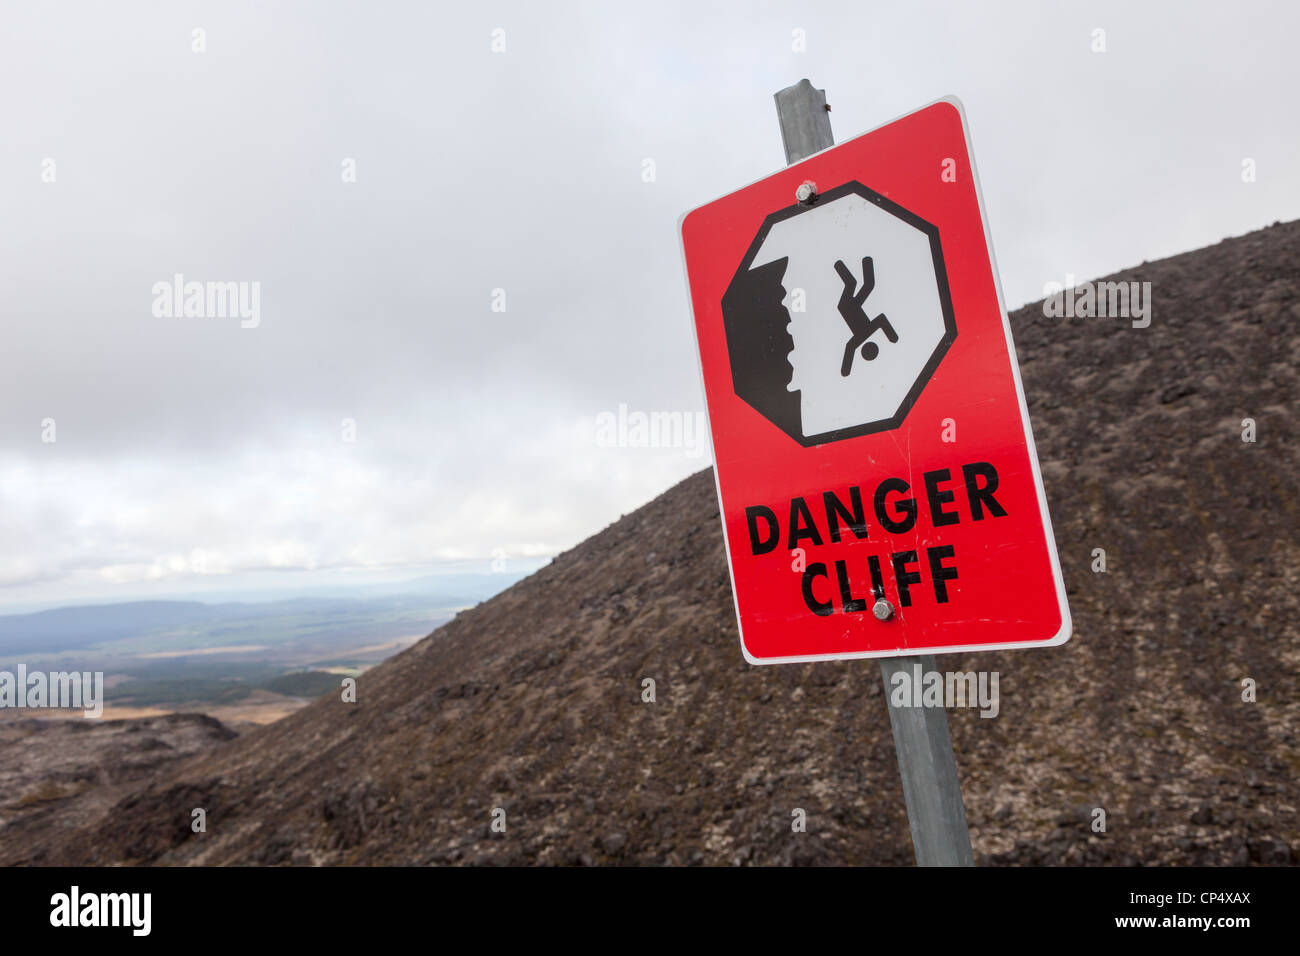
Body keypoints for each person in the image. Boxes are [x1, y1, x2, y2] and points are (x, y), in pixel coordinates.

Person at [834, 257, 898, 377]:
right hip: (853, 306)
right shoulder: (861, 336)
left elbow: (881, 321)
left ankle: (846, 264)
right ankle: (862, 261)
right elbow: (882, 320)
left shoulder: (864, 334)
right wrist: (892, 337)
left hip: (846, 306)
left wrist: (892, 336)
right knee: (865, 284)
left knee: (854, 283)